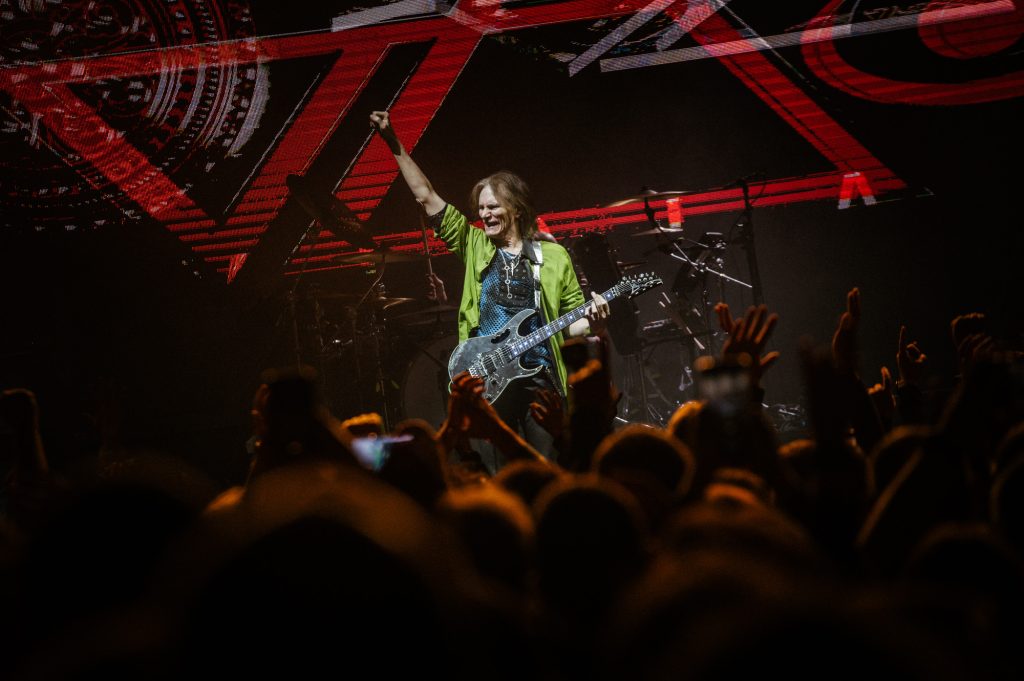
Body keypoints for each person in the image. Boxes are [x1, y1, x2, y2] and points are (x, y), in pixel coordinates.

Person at [369, 110, 609, 473]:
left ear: (516, 209)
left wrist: (595, 322)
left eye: (493, 206)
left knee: (546, 472)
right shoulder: (474, 243)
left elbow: (571, 325)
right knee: (500, 476)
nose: (485, 214)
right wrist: (392, 141)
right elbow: (426, 195)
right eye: (481, 208)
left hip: (541, 381)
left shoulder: (554, 256)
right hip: (488, 380)